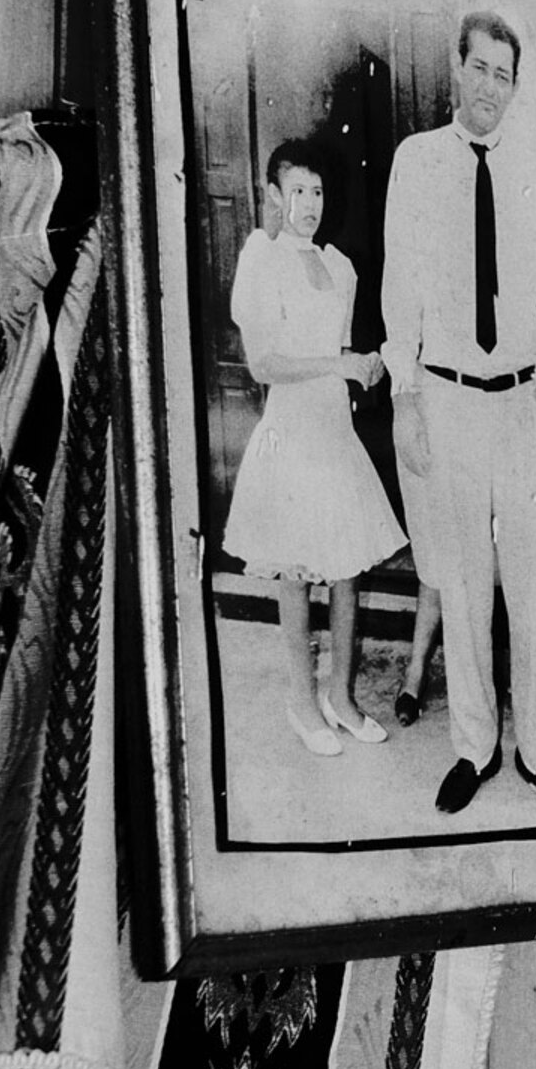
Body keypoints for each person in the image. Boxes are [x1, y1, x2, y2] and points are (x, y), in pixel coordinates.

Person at [379, 9, 536, 814]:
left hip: (522, 402)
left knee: (530, 584)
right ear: (457, 69)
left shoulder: (535, 167)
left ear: (516, 88)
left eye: (505, 75)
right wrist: (406, 398)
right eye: (480, 68)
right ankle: (474, 748)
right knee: (463, 580)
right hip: (447, 397)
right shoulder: (416, 162)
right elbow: (399, 288)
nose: (491, 87)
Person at [221, 139, 404, 759]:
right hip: (291, 436)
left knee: (348, 570)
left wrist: (365, 371)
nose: (309, 204)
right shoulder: (261, 257)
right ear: (274, 196)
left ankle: (340, 698)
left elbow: (344, 357)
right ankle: (301, 704)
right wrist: (343, 365)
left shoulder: (342, 267)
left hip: (334, 433)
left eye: (317, 192)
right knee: (296, 575)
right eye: (296, 191)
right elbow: (264, 363)